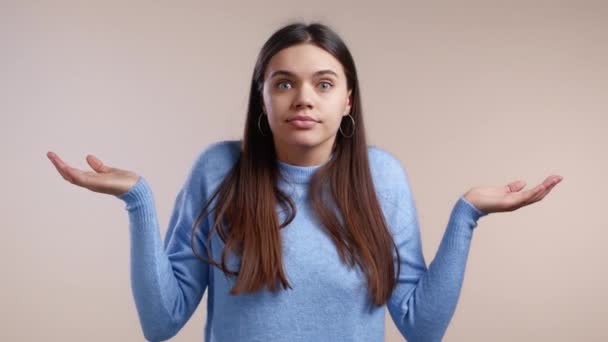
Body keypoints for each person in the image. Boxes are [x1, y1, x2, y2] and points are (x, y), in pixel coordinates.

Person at [47, 22, 562, 342]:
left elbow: (421, 328)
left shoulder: (382, 177)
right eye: (284, 82)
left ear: (347, 101)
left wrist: (467, 214)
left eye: (324, 83)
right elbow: (160, 323)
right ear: (263, 98)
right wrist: (138, 201)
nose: (304, 98)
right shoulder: (217, 170)